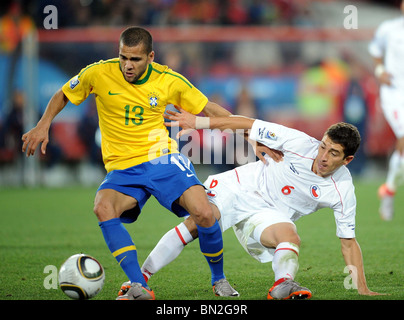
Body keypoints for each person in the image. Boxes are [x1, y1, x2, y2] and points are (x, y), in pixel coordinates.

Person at [21, 26, 250, 300]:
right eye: (123, 57)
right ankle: (138, 285)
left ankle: (219, 279)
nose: (127, 65)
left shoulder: (169, 80)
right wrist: (43, 125)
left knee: (204, 212)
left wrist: (249, 132)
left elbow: (208, 107)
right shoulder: (98, 72)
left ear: (150, 57)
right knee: (102, 207)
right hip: (122, 167)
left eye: (135, 59)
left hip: (162, 158)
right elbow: (62, 94)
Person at [134, 106, 385, 299]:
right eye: (323, 147)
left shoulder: (342, 190)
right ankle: (139, 280)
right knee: (200, 220)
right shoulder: (297, 142)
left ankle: (283, 284)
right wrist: (198, 122)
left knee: (291, 236)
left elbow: (348, 242)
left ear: (347, 160)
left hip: (267, 214)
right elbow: (245, 123)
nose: (323, 157)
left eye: (333, 153)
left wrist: (362, 288)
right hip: (239, 186)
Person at [369, 0, 404, 221]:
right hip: (394, 95)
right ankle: (389, 191)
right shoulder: (388, 28)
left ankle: (389, 190)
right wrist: (380, 69)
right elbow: (375, 50)